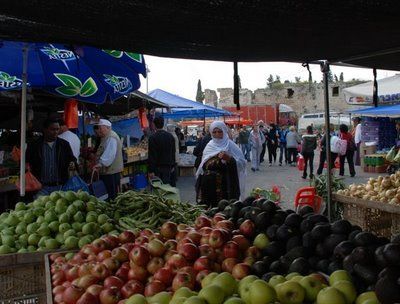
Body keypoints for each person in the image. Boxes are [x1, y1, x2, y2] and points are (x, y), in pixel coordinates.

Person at [195, 121, 246, 207]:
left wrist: (230, 159)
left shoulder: (231, 146)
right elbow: (203, 166)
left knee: (224, 211)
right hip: (209, 187)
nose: (217, 134)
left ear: (224, 132)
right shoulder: (209, 146)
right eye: (214, 132)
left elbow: (242, 164)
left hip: (226, 188)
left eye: (220, 131)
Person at [26, 118, 76, 195]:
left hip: (60, 187)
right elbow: (27, 161)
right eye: (52, 129)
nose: (56, 132)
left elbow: (72, 159)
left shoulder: (64, 145)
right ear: (45, 130)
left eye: (57, 129)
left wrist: (72, 163)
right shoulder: (34, 145)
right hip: (40, 188)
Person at [93, 119, 124, 200]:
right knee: (110, 193)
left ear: (107, 128)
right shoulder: (106, 137)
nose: (99, 131)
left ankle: (112, 209)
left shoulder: (111, 137)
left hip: (111, 172)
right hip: (109, 172)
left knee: (112, 195)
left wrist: (100, 164)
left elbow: (109, 155)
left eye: (100, 128)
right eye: (98, 128)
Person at [148, 117, 176, 185]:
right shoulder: (170, 136)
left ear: (154, 125)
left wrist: (151, 170)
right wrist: (173, 165)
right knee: (167, 186)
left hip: (157, 168)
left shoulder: (152, 138)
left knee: (158, 187)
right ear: (163, 125)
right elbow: (173, 151)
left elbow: (152, 155)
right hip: (168, 167)